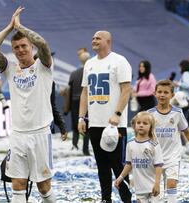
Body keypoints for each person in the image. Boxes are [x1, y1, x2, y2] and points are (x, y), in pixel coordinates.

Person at [0, 7, 61, 202]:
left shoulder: (43, 66)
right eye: (16, 47)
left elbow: (43, 43)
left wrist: (21, 27)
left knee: (43, 187)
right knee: (17, 184)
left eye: (24, 46)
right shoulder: (10, 69)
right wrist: (10, 27)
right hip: (18, 134)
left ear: (31, 47)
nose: (20, 50)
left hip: (40, 133)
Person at [78, 30, 132, 202]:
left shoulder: (119, 61)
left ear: (108, 41)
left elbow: (126, 90)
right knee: (101, 166)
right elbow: (85, 92)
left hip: (114, 125)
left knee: (118, 166)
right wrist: (81, 117)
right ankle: (105, 199)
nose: (93, 40)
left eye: (97, 38)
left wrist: (117, 114)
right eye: (92, 37)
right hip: (95, 123)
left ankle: (127, 199)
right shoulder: (89, 64)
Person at [148, 79, 189, 203]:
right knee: (156, 191)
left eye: (166, 92)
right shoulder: (149, 114)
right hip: (155, 157)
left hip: (173, 156)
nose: (162, 95)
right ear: (155, 93)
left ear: (172, 95)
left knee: (171, 184)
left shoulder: (177, 113)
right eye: (159, 92)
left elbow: (187, 132)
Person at [114, 111, 163, 203]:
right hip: (140, 188)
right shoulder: (130, 144)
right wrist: (120, 177)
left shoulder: (154, 144)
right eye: (139, 123)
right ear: (134, 125)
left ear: (151, 127)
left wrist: (157, 183)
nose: (141, 125)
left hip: (153, 187)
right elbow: (129, 164)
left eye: (145, 123)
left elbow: (158, 166)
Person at [65, 47, 91, 155]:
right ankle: (85, 149)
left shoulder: (74, 73)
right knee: (87, 126)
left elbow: (69, 90)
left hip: (75, 101)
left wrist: (68, 106)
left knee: (76, 125)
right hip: (87, 102)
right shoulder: (91, 73)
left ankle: (74, 145)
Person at [175, 60, 189, 144]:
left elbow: (187, 85)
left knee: (182, 125)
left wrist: (178, 84)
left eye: (180, 67)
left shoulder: (185, 74)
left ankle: (184, 143)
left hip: (186, 103)